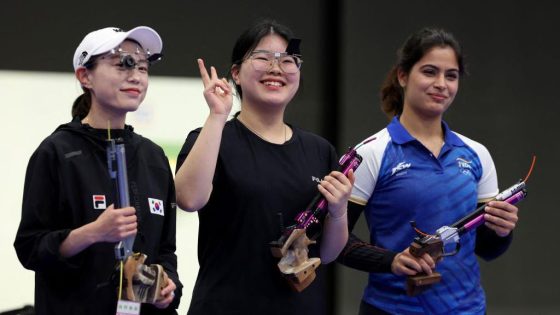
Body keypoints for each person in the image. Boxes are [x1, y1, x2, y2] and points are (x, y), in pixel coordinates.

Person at [174, 18, 354, 315]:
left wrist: (339, 211)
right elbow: (188, 199)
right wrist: (217, 116)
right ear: (236, 73)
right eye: (262, 57)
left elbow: (329, 252)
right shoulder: (213, 136)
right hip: (226, 305)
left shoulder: (319, 150)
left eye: (288, 60)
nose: (276, 68)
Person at [337, 27, 520, 314]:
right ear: (402, 76)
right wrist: (392, 261)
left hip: (468, 309)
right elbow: (335, 241)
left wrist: (502, 230)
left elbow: (488, 249)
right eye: (429, 72)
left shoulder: (476, 154)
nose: (441, 84)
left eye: (451, 75)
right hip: (390, 309)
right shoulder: (370, 153)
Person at [14, 26, 181, 314]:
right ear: (85, 76)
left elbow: (165, 251)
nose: (136, 76)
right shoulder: (57, 152)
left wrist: (168, 287)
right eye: (123, 64)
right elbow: (30, 248)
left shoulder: (153, 156)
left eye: (143, 67)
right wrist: (92, 233)